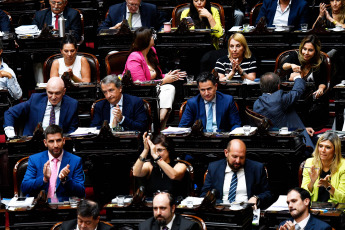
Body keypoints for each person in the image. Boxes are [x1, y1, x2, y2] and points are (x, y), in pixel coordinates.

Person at [123, 27, 186, 130]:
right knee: (168, 88)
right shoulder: (134, 58)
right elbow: (142, 85)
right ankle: (158, 123)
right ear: (146, 40)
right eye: (152, 36)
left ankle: (159, 122)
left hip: (153, 89)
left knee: (171, 87)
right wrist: (164, 81)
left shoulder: (151, 52)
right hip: (139, 92)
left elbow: (158, 74)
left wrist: (170, 76)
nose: (154, 37)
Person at [201, 139, 274, 209]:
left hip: (246, 213)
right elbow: (205, 194)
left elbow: (268, 194)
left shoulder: (257, 168)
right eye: (234, 157)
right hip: (220, 211)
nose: (238, 161)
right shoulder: (214, 168)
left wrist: (256, 198)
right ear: (226, 153)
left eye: (242, 157)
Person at [21, 125, 85, 201]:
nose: (55, 145)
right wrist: (44, 179)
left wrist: (65, 180)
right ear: (45, 142)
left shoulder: (75, 160)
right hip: (40, 206)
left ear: (63, 140)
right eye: (51, 141)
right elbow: (24, 188)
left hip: (63, 208)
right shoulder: (35, 159)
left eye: (58, 140)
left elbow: (81, 192)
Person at [253, 72, 315, 147]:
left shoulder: (257, 103)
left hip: (266, 141)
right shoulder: (280, 99)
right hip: (285, 141)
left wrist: (302, 129)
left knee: (289, 111)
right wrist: (297, 77)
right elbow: (297, 91)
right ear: (278, 86)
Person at [4, 77, 78, 138]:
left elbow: (71, 132)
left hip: (58, 145)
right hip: (34, 143)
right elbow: (9, 113)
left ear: (64, 91)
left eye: (57, 93)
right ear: (46, 90)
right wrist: (11, 135)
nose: (53, 97)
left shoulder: (72, 105)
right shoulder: (35, 99)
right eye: (50, 93)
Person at [133, 132, 187, 197]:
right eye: (154, 150)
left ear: (168, 150)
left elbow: (173, 175)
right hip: (152, 204)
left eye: (160, 150)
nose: (157, 153)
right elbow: (136, 173)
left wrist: (156, 157)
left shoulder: (180, 165)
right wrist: (145, 150)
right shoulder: (150, 165)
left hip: (172, 204)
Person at [301, 132, 345, 203]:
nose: (323, 150)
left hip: (335, 210)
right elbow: (303, 196)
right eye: (320, 146)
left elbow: (343, 199)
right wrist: (311, 182)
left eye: (328, 147)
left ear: (335, 150)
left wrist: (328, 186)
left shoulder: (343, 167)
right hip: (313, 208)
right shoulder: (310, 163)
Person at [281, 35, 327, 99]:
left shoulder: (319, 61)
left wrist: (320, 89)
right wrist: (291, 65)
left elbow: (323, 81)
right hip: (290, 95)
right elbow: (283, 66)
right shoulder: (295, 55)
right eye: (304, 49)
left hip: (310, 96)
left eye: (310, 50)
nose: (306, 53)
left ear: (315, 52)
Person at [98, 0, 163, 31]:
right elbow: (100, 29)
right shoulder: (114, 10)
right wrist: (114, 29)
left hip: (143, 44)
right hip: (122, 44)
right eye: (131, 4)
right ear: (126, 1)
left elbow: (162, 25)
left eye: (136, 5)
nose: (134, 8)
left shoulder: (150, 9)